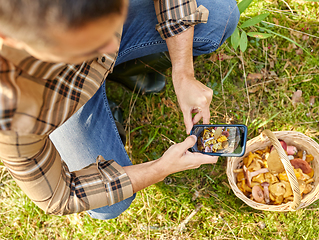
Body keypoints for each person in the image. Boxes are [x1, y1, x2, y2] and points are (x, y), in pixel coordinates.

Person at [0, 0, 240, 220]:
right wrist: (159, 169)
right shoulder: (9, 114)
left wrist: (183, 73)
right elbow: (61, 196)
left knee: (220, 18)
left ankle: (122, 69)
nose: (108, 47)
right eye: (80, 44)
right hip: (59, 102)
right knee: (110, 204)